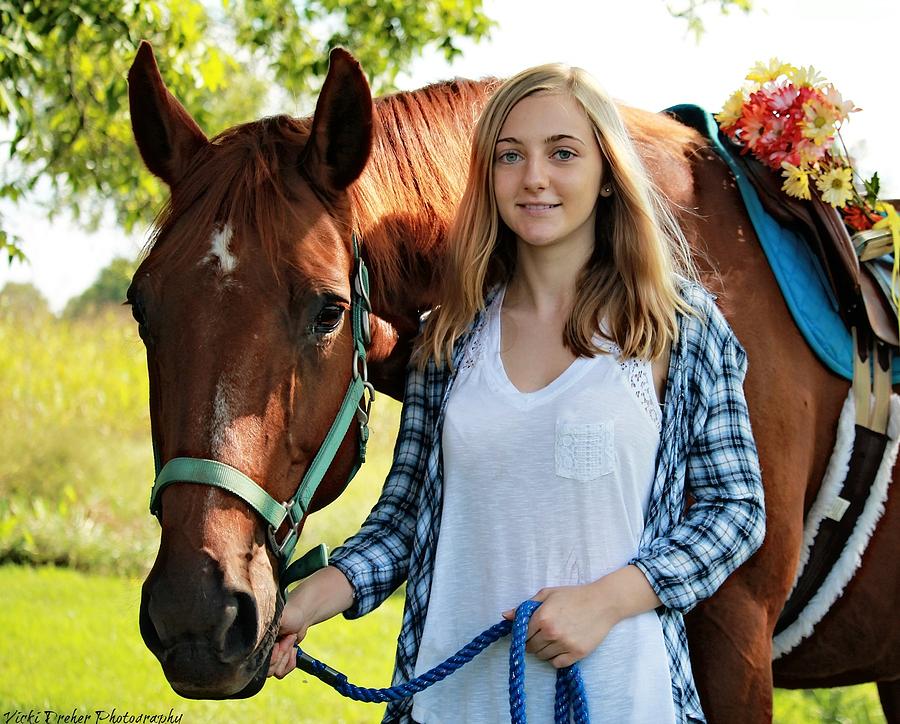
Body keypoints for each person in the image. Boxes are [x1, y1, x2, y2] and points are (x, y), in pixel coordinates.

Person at [268, 63, 765, 724]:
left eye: (563, 153)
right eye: (511, 155)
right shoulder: (449, 337)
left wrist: (609, 600)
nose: (534, 178)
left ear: (609, 176)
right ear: (489, 177)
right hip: (450, 704)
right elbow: (406, 517)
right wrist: (305, 602)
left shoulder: (680, 329)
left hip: (623, 699)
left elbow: (736, 510)